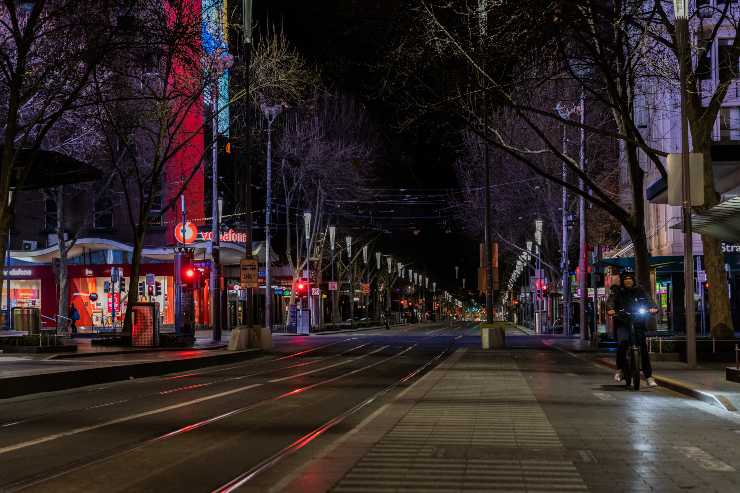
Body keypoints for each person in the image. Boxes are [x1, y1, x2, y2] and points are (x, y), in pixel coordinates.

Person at [606, 271, 658, 387]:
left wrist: (653, 308)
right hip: (622, 323)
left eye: (630, 279)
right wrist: (611, 309)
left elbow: (650, 301)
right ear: (622, 281)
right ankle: (619, 369)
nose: (628, 281)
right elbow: (610, 302)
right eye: (625, 279)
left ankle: (649, 377)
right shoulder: (617, 291)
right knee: (622, 344)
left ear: (633, 280)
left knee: (643, 348)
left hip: (638, 323)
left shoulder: (640, 290)